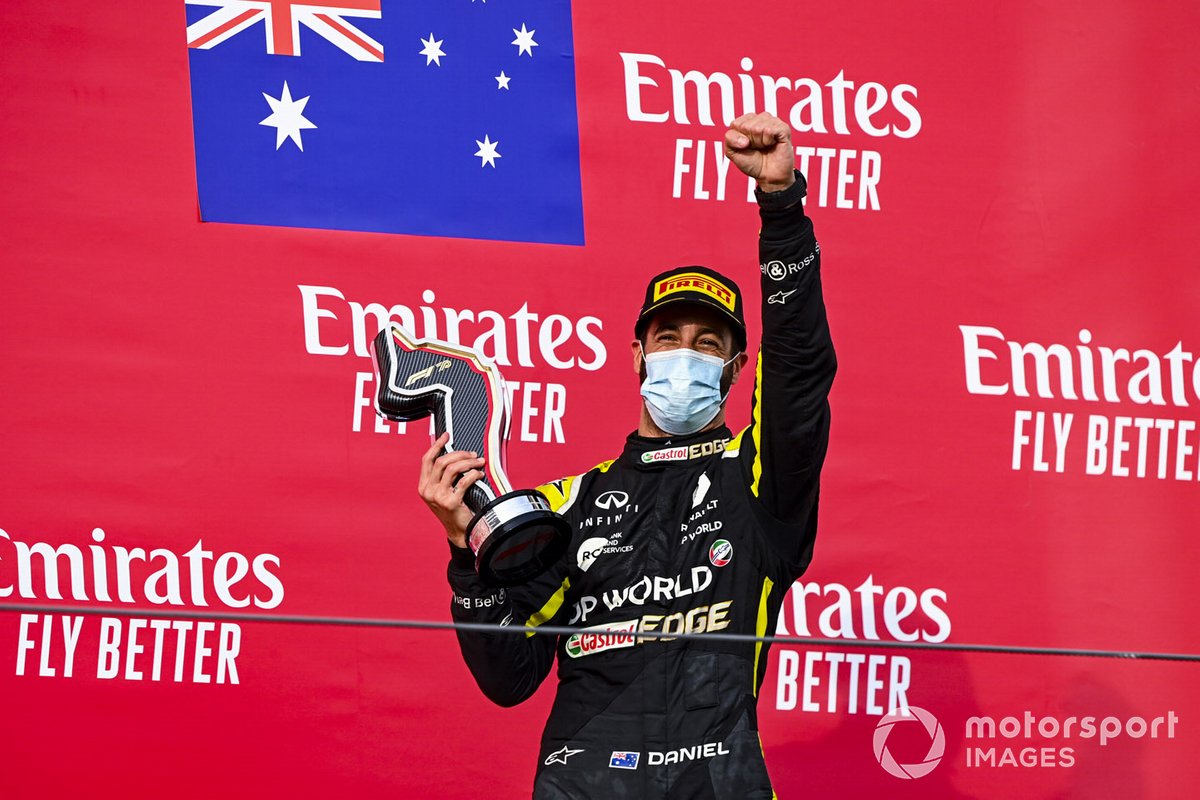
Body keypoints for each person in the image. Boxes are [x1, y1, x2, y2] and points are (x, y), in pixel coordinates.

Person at [418, 112, 836, 799]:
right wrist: (467, 559)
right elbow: (508, 678)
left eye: (707, 344)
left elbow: (799, 371)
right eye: (668, 337)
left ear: (734, 371)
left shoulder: (759, 484)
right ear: (638, 357)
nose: (685, 354)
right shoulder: (563, 505)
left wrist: (782, 207)